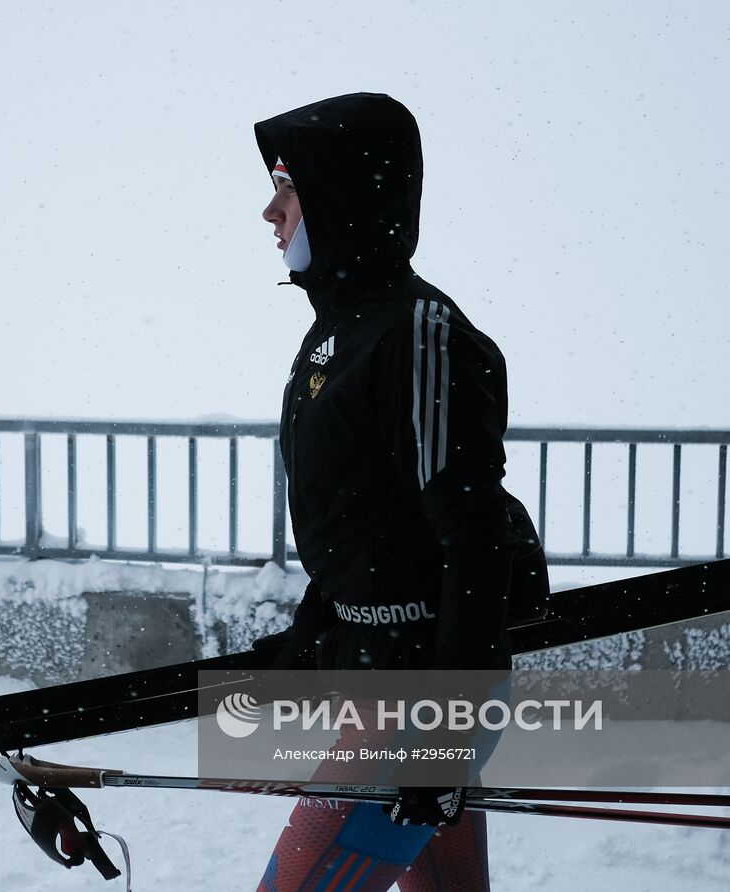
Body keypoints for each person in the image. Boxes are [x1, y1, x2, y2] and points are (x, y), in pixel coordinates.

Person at [251, 93, 548, 891]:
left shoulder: (421, 337)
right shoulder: (334, 338)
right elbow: (372, 528)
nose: (268, 211)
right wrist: (317, 630)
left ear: (341, 195)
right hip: (389, 682)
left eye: (288, 188)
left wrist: (447, 739)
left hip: (419, 702)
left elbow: (472, 536)